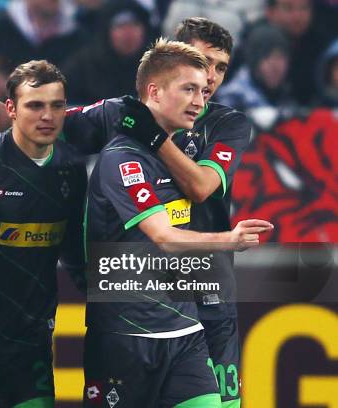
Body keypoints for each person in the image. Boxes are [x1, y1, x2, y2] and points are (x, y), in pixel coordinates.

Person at [83, 38, 272, 407]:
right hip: (127, 336)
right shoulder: (123, 158)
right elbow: (164, 238)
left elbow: (200, 189)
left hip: (186, 331)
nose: (200, 101)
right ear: (153, 92)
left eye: (203, 91)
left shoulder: (177, 160)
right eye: (188, 90)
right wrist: (229, 241)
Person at [0, 60, 87, 408]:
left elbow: (73, 251)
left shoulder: (71, 169)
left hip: (33, 338)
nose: (48, 116)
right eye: (35, 105)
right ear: (10, 108)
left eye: (57, 105)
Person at [216, 22, 296, 112]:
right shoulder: (230, 100)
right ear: (253, 62)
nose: (275, 67)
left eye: (280, 58)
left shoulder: (288, 95)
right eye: (266, 57)